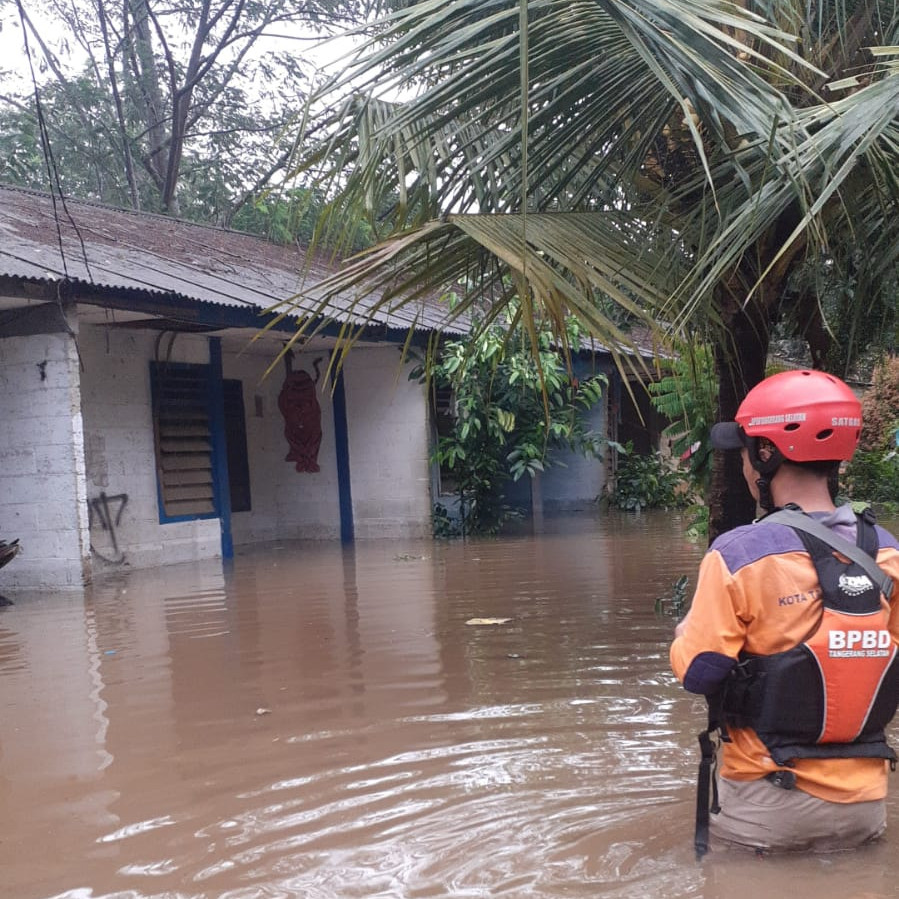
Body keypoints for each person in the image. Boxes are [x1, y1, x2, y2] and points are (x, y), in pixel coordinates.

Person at [670, 369, 899, 855]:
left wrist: (685, 631)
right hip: (866, 805)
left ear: (765, 455)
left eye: (749, 450)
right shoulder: (889, 554)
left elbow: (698, 671)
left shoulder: (737, 555)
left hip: (767, 807)